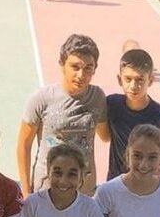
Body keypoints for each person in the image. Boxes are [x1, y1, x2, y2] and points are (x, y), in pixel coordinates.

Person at [17, 34, 110, 198]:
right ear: (62, 65)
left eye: (88, 68)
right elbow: (24, 144)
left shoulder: (97, 97)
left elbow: (106, 136)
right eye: (75, 67)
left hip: (84, 193)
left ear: (95, 68)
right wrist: (25, 191)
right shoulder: (41, 99)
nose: (81, 75)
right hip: (46, 191)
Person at [107, 47, 160, 185]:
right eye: (128, 79)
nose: (133, 86)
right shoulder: (112, 105)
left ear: (151, 80)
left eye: (140, 79)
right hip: (116, 186)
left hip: (148, 188)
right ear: (119, 79)